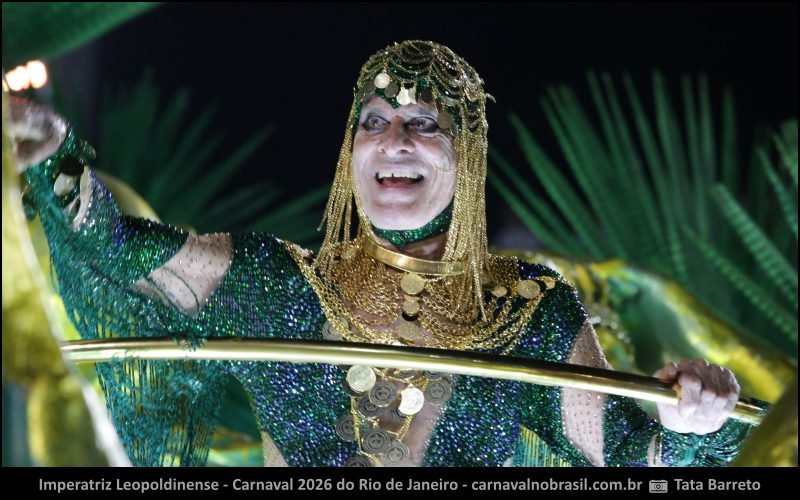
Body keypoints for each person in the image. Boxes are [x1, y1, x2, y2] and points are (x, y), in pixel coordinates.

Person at [7, 40, 752, 467]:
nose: (393, 138)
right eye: (374, 120)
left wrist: (693, 424)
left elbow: (634, 459)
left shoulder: (523, 310)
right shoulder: (276, 286)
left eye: (422, 122)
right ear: (352, 155)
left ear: (465, 156)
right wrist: (51, 155)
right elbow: (111, 243)